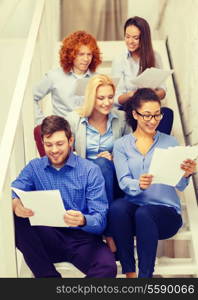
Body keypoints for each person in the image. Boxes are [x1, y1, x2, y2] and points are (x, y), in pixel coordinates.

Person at [11, 115, 117, 278]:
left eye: (59, 144)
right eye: (48, 144)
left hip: (83, 239)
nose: (54, 150)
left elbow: (100, 221)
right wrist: (15, 203)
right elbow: (14, 191)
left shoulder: (90, 171)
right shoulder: (34, 168)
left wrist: (83, 220)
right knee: (15, 215)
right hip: (49, 237)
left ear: (70, 141)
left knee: (108, 268)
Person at [107, 88, 196, 278]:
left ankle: (145, 278)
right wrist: (139, 184)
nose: (153, 120)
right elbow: (123, 182)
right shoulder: (122, 145)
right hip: (135, 209)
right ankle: (130, 272)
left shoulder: (170, 142)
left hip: (165, 214)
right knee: (117, 208)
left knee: (144, 213)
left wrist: (186, 174)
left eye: (157, 115)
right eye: (146, 115)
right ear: (134, 114)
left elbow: (179, 185)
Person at [33, 30, 102, 156]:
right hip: (62, 130)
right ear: (71, 55)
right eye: (81, 54)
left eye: (89, 54)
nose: (86, 59)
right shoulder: (54, 76)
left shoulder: (96, 78)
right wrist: (40, 121)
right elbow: (32, 97)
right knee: (41, 131)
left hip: (87, 131)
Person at [67, 74, 131, 206]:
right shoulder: (74, 119)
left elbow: (130, 152)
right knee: (98, 165)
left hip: (112, 174)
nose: (107, 103)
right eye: (101, 98)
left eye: (110, 97)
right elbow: (65, 153)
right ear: (91, 98)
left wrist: (114, 158)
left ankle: (103, 212)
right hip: (83, 175)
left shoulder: (122, 118)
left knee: (102, 164)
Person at [111, 16, 173, 134]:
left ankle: (157, 149)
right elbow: (115, 98)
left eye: (135, 38)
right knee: (126, 115)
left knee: (167, 114)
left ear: (143, 38)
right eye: (127, 37)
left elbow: (163, 91)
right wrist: (133, 94)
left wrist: (149, 93)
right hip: (129, 108)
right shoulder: (119, 60)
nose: (130, 41)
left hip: (149, 107)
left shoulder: (155, 57)